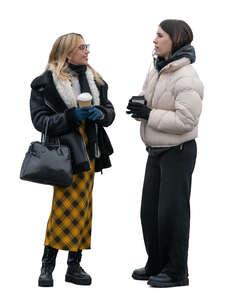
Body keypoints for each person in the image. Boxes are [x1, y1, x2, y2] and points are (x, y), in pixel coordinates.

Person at [30, 33, 115, 287]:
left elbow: (110, 112)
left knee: (84, 207)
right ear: (67, 53)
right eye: (82, 47)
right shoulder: (44, 83)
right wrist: (70, 117)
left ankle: (74, 266)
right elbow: (39, 121)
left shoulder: (95, 80)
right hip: (65, 153)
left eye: (86, 46)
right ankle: (47, 266)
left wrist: (99, 113)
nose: (87, 51)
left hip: (90, 151)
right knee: (62, 207)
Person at [126, 19, 203, 288]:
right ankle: (156, 263)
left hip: (178, 152)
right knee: (150, 211)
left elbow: (186, 121)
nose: (155, 40)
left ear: (175, 39)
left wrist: (150, 114)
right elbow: (152, 100)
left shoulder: (187, 77)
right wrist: (140, 106)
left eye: (160, 35)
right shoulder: (158, 68)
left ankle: (176, 272)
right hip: (156, 150)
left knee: (173, 213)